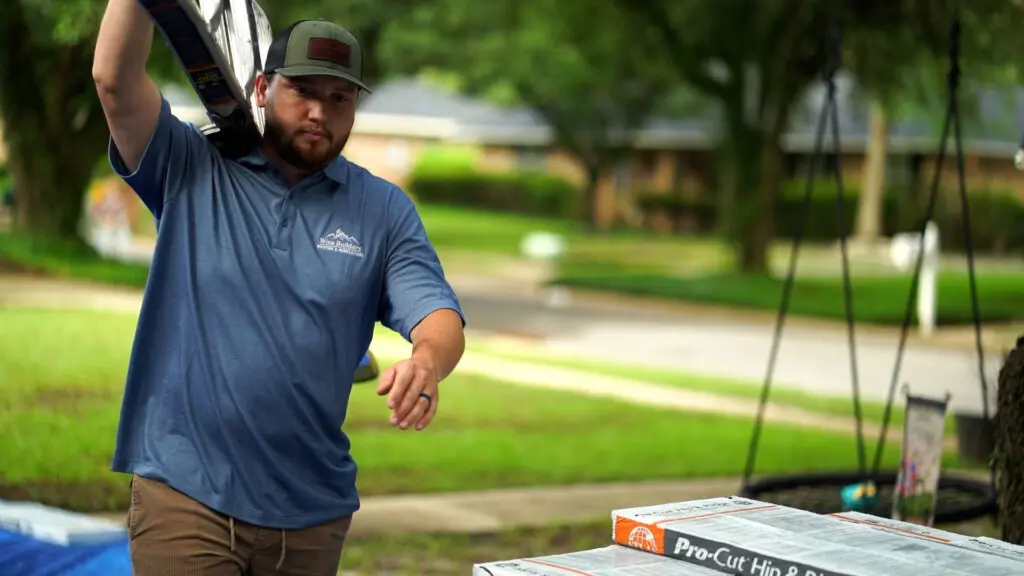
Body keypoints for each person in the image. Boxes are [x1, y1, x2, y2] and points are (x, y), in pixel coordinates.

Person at [91, 2, 466, 574]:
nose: (319, 112)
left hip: (311, 513)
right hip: (187, 495)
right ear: (262, 87)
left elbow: (438, 315)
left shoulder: (383, 210)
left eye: (339, 99)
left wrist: (428, 362)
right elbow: (114, 82)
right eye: (302, 92)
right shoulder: (192, 166)